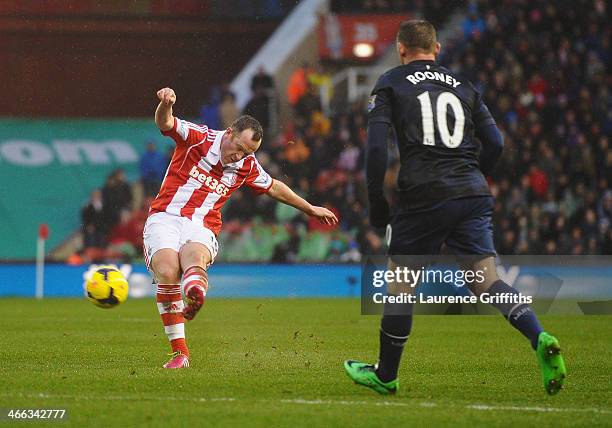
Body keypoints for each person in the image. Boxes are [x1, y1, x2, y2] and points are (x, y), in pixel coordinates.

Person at [344, 20, 566, 395]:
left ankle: (386, 374)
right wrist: (469, 175)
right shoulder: (465, 86)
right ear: (437, 49)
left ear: (401, 49)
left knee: (400, 285)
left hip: (423, 193)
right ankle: (538, 335)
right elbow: (495, 143)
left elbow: (378, 149)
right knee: (487, 281)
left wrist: (377, 203)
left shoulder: (391, 82)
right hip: (471, 191)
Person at [145, 87, 338, 369]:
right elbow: (166, 123)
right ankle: (180, 353)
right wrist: (165, 104)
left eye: (248, 152)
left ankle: (195, 292)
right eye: (239, 147)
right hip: (165, 215)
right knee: (166, 270)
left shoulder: (247, 165)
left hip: (202, 224)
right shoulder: (199, 138)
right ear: (230, 132)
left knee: (192, 258)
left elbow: (274, 187)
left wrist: (310, 208)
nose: (241, 156)